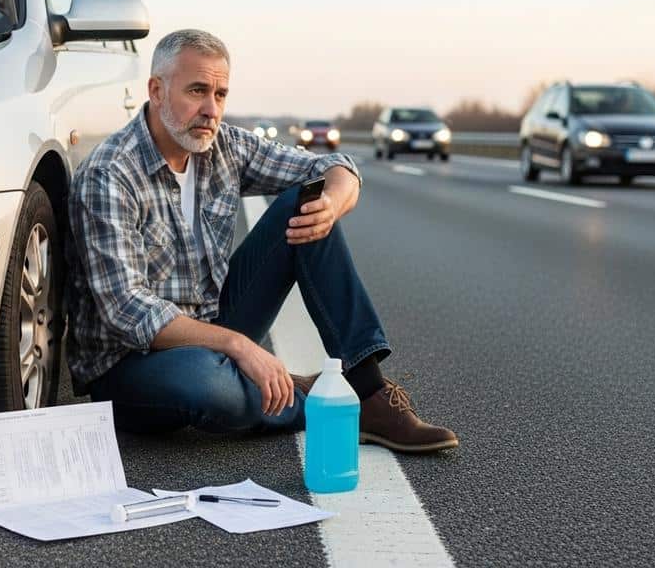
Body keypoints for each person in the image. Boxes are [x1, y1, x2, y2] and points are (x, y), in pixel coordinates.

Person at [64, 29, 457, 453]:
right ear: (156, 91)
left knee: (305, 205)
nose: (210, 110)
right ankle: (325, 403)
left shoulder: (223, 147)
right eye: (197, 91)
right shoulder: (110, 173)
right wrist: (240, 346)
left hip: (212, 324)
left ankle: (366, 389)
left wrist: (332, 201)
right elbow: (127, 311)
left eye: (220, 94)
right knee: (208, 384)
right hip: (132, 365)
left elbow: (332, 166)